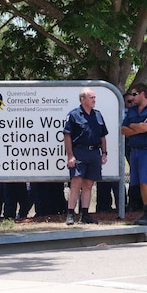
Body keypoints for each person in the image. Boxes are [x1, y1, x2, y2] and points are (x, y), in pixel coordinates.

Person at [63, 87, 109, 225]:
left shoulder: (98, 115)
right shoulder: (74, 115)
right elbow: (67, 136)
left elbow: (103, 137)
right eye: (91, 97)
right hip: (79, 152)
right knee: (76, 183)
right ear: (83, 99)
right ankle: (70, 214)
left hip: (94, 153)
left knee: (88, 184)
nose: (94, 100)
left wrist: (104, 153)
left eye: (94, 97)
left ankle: (85, 215)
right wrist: (70, 155)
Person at [121, 83, 147, 225]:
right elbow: (123, 130)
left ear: (142, 94)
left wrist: (134, 126)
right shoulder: (132, 111)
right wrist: (138, 127)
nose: (132, 98)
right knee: (140, 183)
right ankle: (146, 213)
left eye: (134, 94)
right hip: (135, 151)